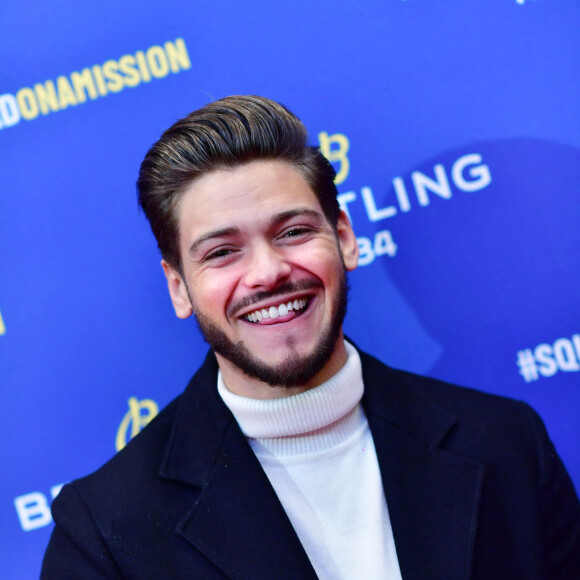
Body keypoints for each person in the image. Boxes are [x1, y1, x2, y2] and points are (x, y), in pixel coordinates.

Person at [42, 95, 580, 579]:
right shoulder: (103, 532)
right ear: (179, 288)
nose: (267, 273)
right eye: (222, 252)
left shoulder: (506, 443)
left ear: (344, 239)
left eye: (293, 232)